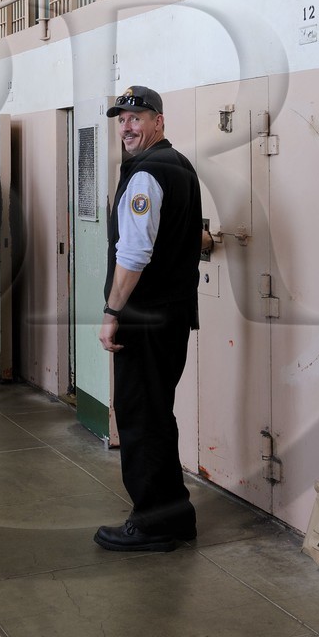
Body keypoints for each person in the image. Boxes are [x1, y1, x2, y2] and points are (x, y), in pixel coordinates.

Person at [94, 86, 206, 552]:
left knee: (140, 417)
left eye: (136, 118)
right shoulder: (179, 165)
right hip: (172, 317)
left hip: (143, 319)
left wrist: (112, 312)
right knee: (157, 414)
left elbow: (134, 253)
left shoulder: (146, 174)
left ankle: (154, 523)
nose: (127, 127)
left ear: (158, 121)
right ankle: (175, 516)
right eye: (122, 119)